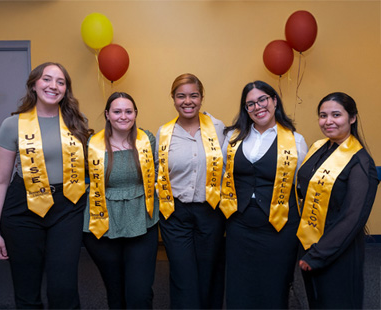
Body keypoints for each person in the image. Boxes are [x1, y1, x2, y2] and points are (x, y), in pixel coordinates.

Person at [0, 62, 91, 308]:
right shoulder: (12, 125)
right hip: (23, 208)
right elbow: (0, 180)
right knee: (27, 288)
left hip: (67, 207)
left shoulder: (76, 123)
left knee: (63, 288)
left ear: (66, 90)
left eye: (60, 82)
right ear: (34, 85)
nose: (53, 86)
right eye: (47, 79)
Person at [220, 80, 308, 309]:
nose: (258, 107)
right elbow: (221, 175)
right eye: (250, 104)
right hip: (239, 225)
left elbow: (302, 185)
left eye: (262, 100)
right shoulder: (232, 138)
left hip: (279, 228)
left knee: (274, 285)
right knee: (240, 286)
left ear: (274, 101)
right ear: (245, 109)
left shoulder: (295, 141)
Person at [296, 92, 379, 309]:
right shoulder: (320, 148)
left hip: (338, 250)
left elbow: (353, 218)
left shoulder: (361, 163)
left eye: (336, 114)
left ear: (352, 118)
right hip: (311, 242)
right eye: (323, 115)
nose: (328, 121)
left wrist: (317, 254)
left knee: (337, 302)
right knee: (316, 301)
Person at [82, 92, 159, 309]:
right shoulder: (93, 144)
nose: (123, 116)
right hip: (103, 224)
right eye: (117, 111)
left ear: (135, 114)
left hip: (142, 222)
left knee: (140, 293)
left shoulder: (147, 139)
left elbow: (158, 174)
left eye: (128, 111)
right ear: (107, 114)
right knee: (115, 293)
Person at [156, 73, 226, 309]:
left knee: (209, 273)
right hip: (176, 214)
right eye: (181, 96)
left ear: (201, 98)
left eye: (193, 95)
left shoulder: (218, 129)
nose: (188, 101)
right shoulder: (164, 133)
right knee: (183, 275)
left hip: (211, 213)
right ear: (173, 99)